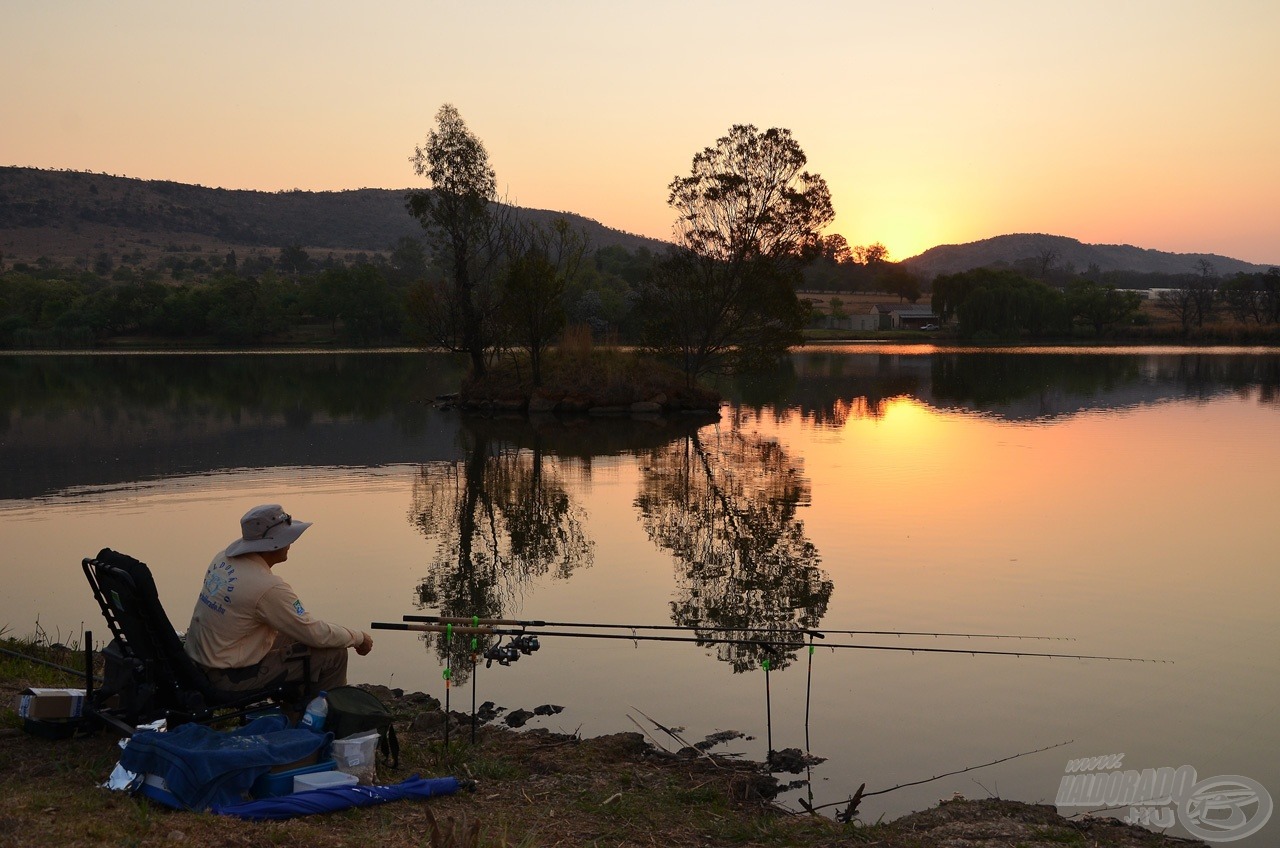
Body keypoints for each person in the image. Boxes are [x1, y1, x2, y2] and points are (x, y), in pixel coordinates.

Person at [185, 503, 373, 703]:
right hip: (226, 679)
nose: (290, 543)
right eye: (287, 538)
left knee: (297, 635)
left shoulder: (222, 558)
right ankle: (319, 724)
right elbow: (315, 633)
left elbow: (304, 629)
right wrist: (358, 637)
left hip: (198, 665)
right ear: (272, 544)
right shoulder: (267, 587)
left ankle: (293, 712)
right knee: (333, 655)